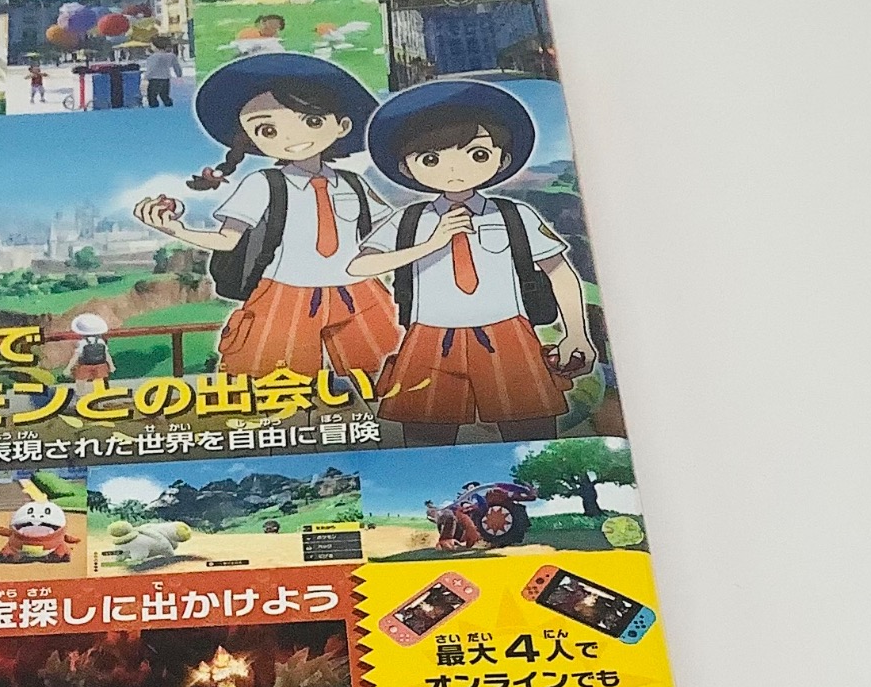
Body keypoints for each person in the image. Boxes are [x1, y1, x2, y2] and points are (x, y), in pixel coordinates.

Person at [349, 77, 596, 446]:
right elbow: (359, 266)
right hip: (429, 338)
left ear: (502, 159)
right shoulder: (409, 220)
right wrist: (430, 245)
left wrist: (576, 333)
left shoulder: (516, 215)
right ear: (407, 168)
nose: (454, 170)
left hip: (508, 334)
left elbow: (559, 271)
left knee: (531, 433)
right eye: (431, 159)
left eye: (477, 154)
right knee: (426, 440)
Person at [132, 52, 398, 380]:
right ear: (250, 139)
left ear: (342, 126)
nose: (292, 138)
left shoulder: (354, 183)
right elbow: (228, 239)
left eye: (312, 121)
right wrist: (175, 229)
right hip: (287, 292)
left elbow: (389, 228)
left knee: (388, 373)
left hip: (359, 291)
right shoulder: (262, 183)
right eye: (268, 129)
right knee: (268, 380)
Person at [140, 37, 181, 107]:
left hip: (154, 79)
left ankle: (154, 109)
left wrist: (145, 77)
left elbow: (151, 68)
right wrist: (179, 74)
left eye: (152, 45)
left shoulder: (152, 57)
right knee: (164, 96)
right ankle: (169, 106)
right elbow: (176, 66)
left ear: (156, 46)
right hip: (166, 79)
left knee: (152, 97)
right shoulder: (171, 56)